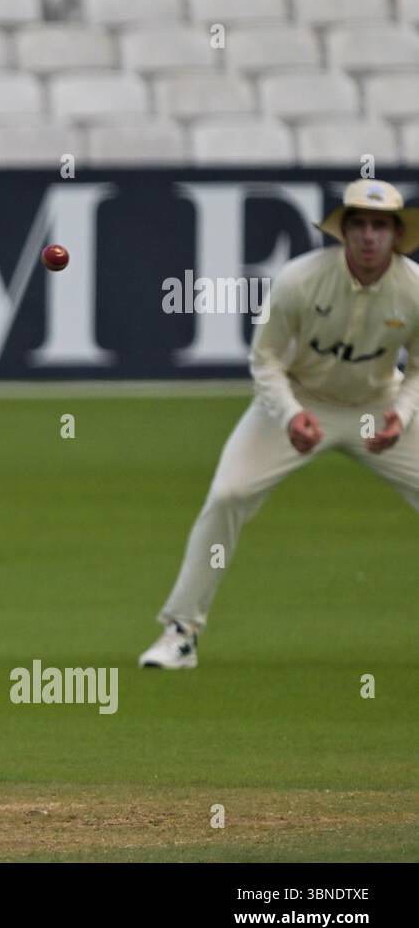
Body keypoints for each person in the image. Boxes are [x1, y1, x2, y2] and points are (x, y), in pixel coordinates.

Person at [140, 179, 419, 669]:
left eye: (380, 226)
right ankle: (181, 632)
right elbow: (264, 359)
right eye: (360, 225)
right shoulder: (299, 280)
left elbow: (418, 365)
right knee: (228, 495)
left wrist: (401, 414)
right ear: (344, 232)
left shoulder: (414, 289)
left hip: (379, 405)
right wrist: (291, 415)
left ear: (396, 235)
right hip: (300, 400)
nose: (370, 237)